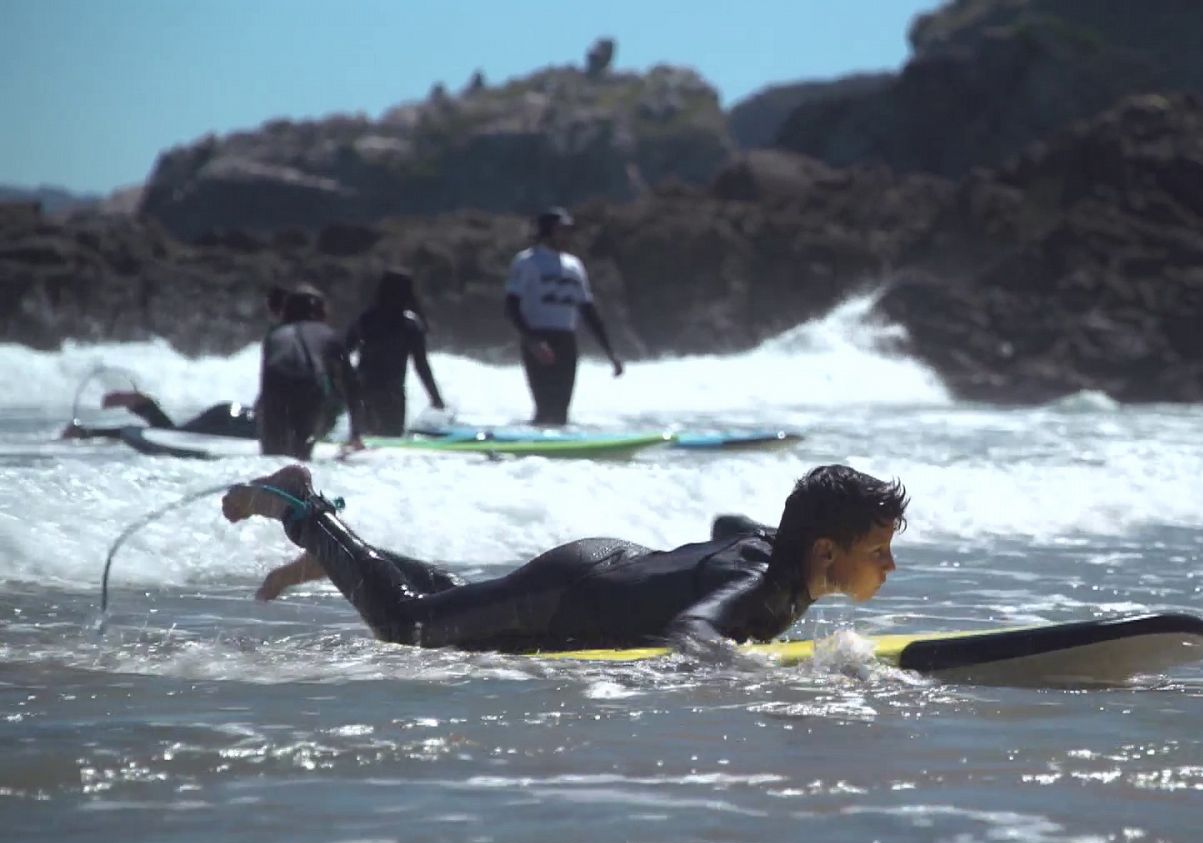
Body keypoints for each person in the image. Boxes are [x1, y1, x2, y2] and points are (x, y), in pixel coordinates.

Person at [220, 463, 905, 653]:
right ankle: (303, 508)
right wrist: (740, 680)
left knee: (461, 599)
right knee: (409, 624)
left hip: (612, 564)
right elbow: (692, 629)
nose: (889, 567)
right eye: (878, 551)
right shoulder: (764, 588)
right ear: (825, 549)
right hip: (575, 590)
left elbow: (729, 525)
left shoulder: (778, 550)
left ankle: (344, 559)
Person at [504, 207, 624, 425]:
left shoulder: (574, 265)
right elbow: (511, 306)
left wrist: (610, 352)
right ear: (546, 231)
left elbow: (588, 310)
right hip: (539, 338)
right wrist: (532, 340)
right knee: (544, 406)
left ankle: (560, 445)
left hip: (566, 340)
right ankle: (534, 441)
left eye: (569, 230)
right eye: (562, 230)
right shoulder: (526, 262)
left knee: (561, 408)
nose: (567, 235)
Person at [257, 284, 364, 460]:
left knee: (272, 457)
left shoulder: (274, 336)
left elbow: (265, 383)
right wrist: (356, 434)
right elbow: (352, 386)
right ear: (320, 310)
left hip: (275, 389)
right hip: (309, 388)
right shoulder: (329, 336)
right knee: (300, 456)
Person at [345, 269, 446, 436]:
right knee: (390, 438)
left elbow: (343, 352)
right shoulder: (410, 324)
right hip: (392, 393)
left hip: (364, 389)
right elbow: (421, 365)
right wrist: (435, 397)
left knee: (365, 438)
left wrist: (346, 383)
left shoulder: (366, 319)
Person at [61, 390, 255, 440]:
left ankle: (87, 433)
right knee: (171, 436)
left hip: (232, 412)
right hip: (234, 418)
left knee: (172, 435)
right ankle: (145, 406)